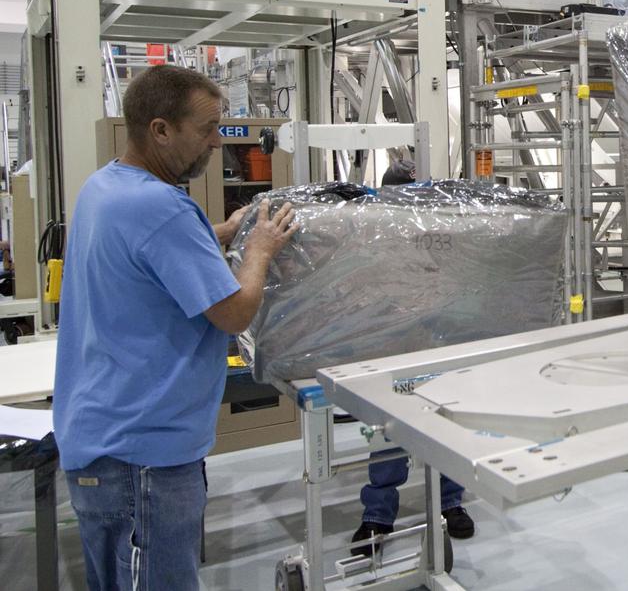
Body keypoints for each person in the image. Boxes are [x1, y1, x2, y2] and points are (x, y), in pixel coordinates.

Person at [54, 65, 297, 590]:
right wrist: (256, 251)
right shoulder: (162, 207)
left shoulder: (105, 187)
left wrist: (219, 231)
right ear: (161, 129)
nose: (216, 143)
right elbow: (234, 312)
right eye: (207, 130)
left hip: (103, 439)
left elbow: (149, 250)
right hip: (142, 460)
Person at [351, 157, 473, 558]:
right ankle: (378, 516)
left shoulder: (442, 234)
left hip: (439, 349)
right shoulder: (376, 237)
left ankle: (450, 503)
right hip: (394, 354)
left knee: (446, 426)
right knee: (389, 433)